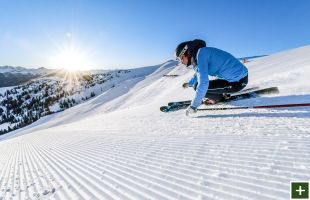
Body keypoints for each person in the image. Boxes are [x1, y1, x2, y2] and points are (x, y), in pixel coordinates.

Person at [175, 39, 248, 116]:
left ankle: (218, 98)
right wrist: (189, 83)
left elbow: (203, 83)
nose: (181, 62)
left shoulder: (199, 56)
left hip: (238, 82)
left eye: (180, 58)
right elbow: (199, 72)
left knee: (197, 87)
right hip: (237, 77)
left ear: (186, 53)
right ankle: (221, 93)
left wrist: (193, 106)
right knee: (197, 85)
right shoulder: (201, 53)